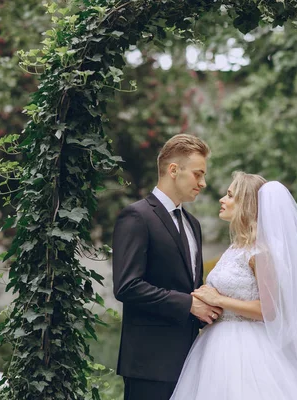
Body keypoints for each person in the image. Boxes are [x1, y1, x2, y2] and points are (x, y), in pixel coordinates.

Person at [171, 172, 297, 400]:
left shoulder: (260, 253)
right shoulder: (236, 248)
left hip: (248, 348)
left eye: (230, 195)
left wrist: (218, 300)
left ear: (247, 205)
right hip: (215, 346)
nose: (222, 199)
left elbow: (268, 311)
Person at [112, 134, 223, 400]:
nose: (203, 183)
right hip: (148, 365)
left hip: (190, 361)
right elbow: (127, 286)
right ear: (174, 170)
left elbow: (190, 286)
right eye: (198, 174)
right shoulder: (136, 217)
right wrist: (188, 304)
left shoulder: (193, 224)